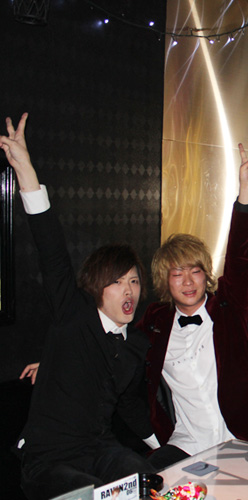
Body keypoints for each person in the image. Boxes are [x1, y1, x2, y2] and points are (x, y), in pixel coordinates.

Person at [3, 113, 157, 500]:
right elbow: (51, 249)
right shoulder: (73, 316)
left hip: (98, 450)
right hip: (48, 458)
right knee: (87, 494)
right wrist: (25, 169)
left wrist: (160, 446)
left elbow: (130, 406)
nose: (128, 290)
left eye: (134, 281)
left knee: (144, 478)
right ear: (96, 287)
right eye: (117, 281)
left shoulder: (136, 344)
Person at [139, 140, 248, 470]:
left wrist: (246, 192)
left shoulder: (226, 309)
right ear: (165, 281)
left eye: (195, 271)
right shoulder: (154, 322)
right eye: (177, 274)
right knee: (146, 480)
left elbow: (239, 257)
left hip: (242, 439)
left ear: (206, 273)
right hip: (187, 444)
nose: (188, 281)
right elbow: (111, 349)